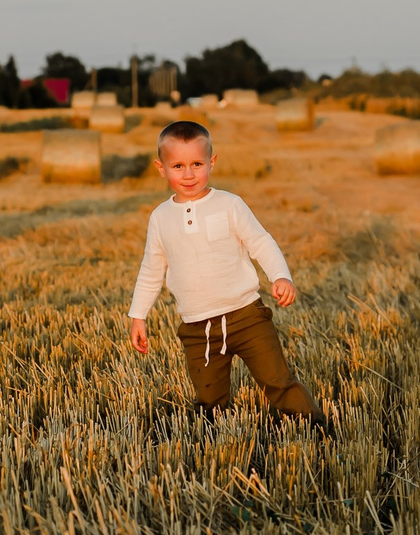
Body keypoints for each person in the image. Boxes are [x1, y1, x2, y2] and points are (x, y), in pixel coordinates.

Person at [128, 120, 315, 417]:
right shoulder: (160, 218)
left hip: (247, 316)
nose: (188, 174)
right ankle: (212, 439)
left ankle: (314, 428)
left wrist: (280, 276)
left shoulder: (229, 204)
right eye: (178, 166)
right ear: (161, 168)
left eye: (197, 164)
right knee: (209, 399)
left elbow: (260, 242)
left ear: (211, 162)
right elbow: (151, 269)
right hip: (197, 328)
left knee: (279, 382)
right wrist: (138, 315)